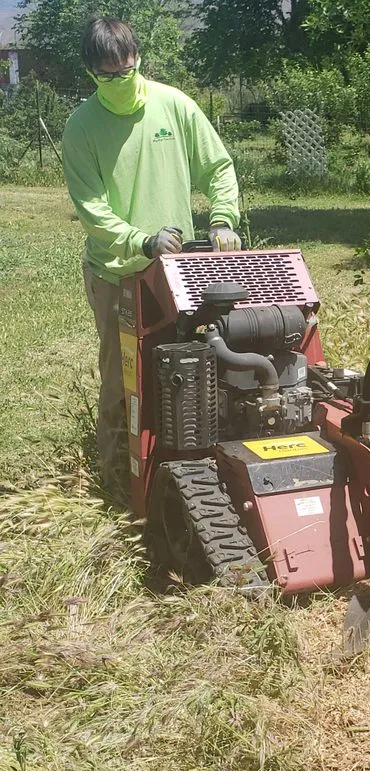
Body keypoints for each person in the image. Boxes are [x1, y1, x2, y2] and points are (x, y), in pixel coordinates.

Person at [62, 16, 241, 492]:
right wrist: (141, 241)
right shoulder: (81, 128)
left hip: (178, 272)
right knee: (122, 379)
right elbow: (93, 210)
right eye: (108, 76)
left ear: (138, 58)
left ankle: (184, 466)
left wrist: (223, 218)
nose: (120, 81)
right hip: (117, 273)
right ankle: (118, 481)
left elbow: (218, 166)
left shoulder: (174, 105)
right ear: (90, 73)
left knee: (190, 367)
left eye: (126, 71)